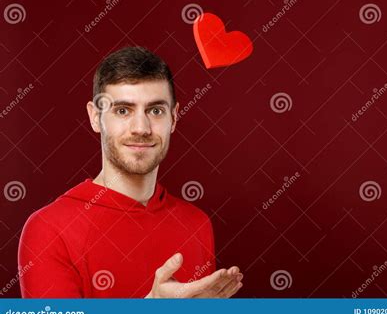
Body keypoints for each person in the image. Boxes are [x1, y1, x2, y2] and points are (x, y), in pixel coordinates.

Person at [18, 46, 243, 298]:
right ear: (95, 117)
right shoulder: (47, 230)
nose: (141, 128)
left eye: (155, 110)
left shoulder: (196, 223)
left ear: (174, 117)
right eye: (123, 110)